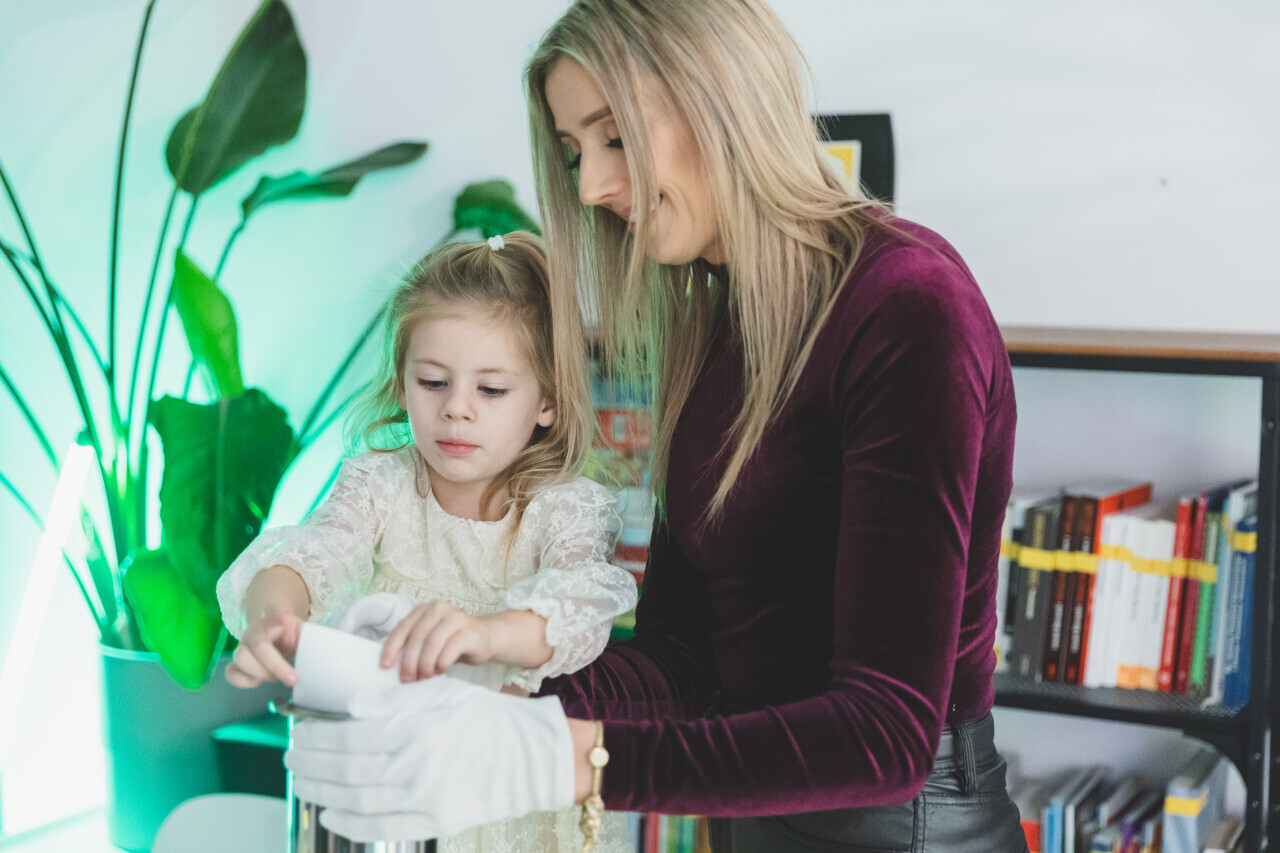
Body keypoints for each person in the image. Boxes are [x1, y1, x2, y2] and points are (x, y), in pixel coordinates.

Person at [285, 1, 1027, 851]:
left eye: (615, 137)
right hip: (754, 823)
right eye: (575, 153)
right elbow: (685, 661)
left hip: (905, 829)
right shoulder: (716, 331)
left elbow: (883, 736)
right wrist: (476, 685)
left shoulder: (907, 309)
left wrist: (557, 755)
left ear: (718, 96)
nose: (591, 187)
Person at [216, 232, 639, 853]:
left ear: (548, 400)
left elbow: (580, 606)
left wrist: (484, 634)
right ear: (401, 383)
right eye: (433, 382)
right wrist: (273, 616)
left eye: (491, 390)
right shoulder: (377, 484)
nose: (456, 409)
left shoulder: (566, 507)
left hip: (507, 799)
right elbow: (311, 554)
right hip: (391, 781)